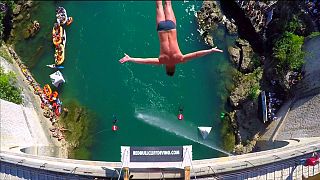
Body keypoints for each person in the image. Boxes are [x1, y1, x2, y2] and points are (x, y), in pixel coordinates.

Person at [119, 0, 223, 76]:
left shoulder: (180, 59)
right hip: (161, 29)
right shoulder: (161, 61)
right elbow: (145, 61)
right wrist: (130, 59)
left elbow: (196, 54)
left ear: (174, 67)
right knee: (159, 5)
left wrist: (211, 50)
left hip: (171, 27)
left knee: (168, 3)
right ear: (166, 68)